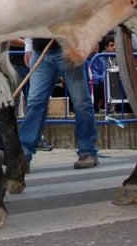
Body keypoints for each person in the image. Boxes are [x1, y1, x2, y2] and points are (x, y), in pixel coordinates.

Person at [17, 37, 99, 170]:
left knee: (80, 102)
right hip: (41, 51)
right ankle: (23, 153)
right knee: (35, 103)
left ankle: (87, 150)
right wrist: (28, 46)